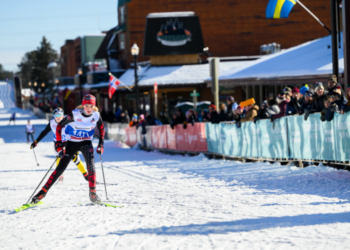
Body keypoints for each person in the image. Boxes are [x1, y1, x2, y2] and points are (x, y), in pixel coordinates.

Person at [31, 94, 105, 204]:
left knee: (91, 165)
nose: (89, 109)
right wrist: (59, 145)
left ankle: (93, 194)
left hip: (86, 143)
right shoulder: (75, 115)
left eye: (91, 106)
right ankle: (42, 192)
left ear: (94, 106)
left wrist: (101, 144)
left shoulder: (96, 116)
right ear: (83, 105)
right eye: (87, 106)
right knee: (60, 169)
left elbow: (102, 128)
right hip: (72, 143)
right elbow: (59, 126)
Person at [30, 108, 89, 181]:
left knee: (75, 158)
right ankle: (60, 176)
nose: (58, 117)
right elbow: (44, 132)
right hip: (57, 144)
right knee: (58, 158)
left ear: (63, 115)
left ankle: (86, 176)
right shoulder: (52, 123)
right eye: (56, 115)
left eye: (59, 115)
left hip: (68, 143)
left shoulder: (68, 121)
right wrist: (36, 141)